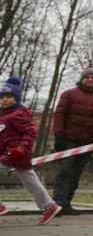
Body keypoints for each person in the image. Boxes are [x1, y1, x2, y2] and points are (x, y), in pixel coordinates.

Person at [0, 76, 62, 224]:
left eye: (8, 97)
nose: (4, 100)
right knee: (31, 181)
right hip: (12, 154)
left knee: (30, 180)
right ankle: (50, 206)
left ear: (17, 98)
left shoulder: (17, 115)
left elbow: (30, 132)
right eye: (1, 97)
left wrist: (20, 149)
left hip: (16, 154)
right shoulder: (5, 116)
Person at [52, 67, 93, 216]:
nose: (90, 79)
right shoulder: (69, 94)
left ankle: (66, 203)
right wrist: (59, 135)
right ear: (82, 79)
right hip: (69, 139)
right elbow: (59, 115)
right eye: (87, 77)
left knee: (76, 173)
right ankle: (57, 204)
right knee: (65, 170)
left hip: (88, 142)